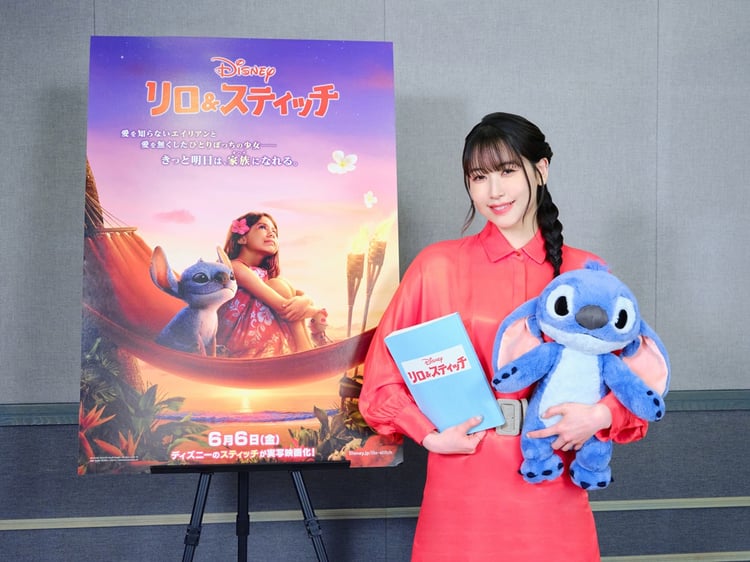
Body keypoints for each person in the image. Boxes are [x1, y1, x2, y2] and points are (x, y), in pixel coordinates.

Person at [360, 113, 657, 561]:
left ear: (541, 170)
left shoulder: (586, 271)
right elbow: (380, 381)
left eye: (507, 171)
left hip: (553, 479)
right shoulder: (436, 267)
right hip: (463, 480)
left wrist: (598, 415)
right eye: (479, 177)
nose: (494, 191)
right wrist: (429, 436)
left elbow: (640, 381)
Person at [216, 211, 318, 357]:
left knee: (282, 285)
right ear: (242, 238)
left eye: (274, 232)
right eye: (263, 227)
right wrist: (313, 310)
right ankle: (304, 350)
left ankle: (306, 348)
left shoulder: (264, 275)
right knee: (279, 287)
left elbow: (300, 295)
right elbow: (283, 307)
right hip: (236, 338)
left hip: (258, 332)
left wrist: (305, 300)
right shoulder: (235, 267)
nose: (271, 234)